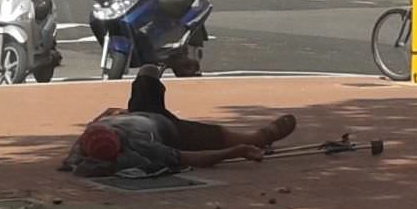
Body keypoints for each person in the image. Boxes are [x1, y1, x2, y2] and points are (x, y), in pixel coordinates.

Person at [61, 67, 298, 176]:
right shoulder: (142, 149)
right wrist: (236, 151)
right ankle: (258, 139)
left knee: (147, 73)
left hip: (137, 114)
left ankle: (155, 69)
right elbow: (192, 158)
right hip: (168, 129)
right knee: (205, 136)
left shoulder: (87, 140)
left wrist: (111, 117)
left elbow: (75, 156)